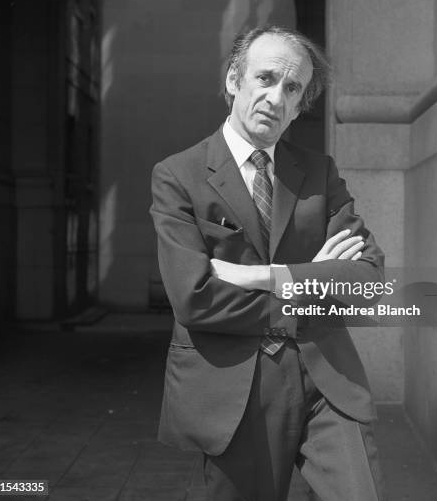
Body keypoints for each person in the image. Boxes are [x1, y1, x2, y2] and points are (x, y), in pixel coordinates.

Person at [150, 25, 385, 500]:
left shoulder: (319, 173)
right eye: (266, 79)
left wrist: (270, 276)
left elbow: (368, 282)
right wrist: (314, 284)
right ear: (234, 81)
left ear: (300, 105)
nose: (276, 97)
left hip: (327, 379)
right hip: (234, 386)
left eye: (292, 88)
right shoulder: (178, 175)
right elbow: (195, 298)